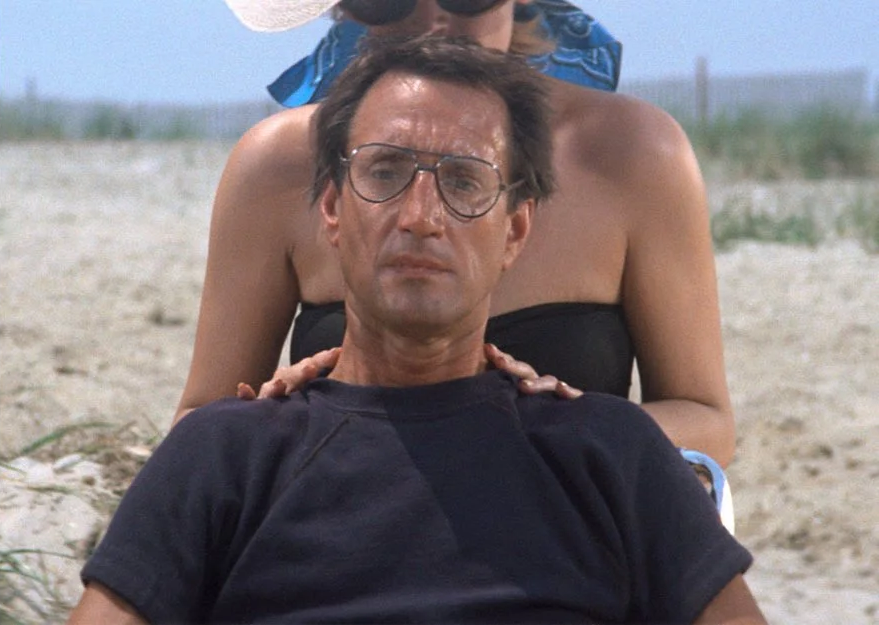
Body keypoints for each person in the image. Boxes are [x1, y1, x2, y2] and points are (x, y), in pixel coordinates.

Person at [72, 37, 760, 623]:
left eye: (463, 182)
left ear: (515, 230)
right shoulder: (225, 455)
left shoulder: (611, 452)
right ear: (331, 208)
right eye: (386, 172)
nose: (420, 216)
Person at [180, 0, 736, 467]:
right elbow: (198, 422)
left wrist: (565, 431)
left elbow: (706, 420)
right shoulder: (278, 165)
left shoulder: (631, 153)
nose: (431, 22)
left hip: (567, 543)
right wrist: (276, 422)